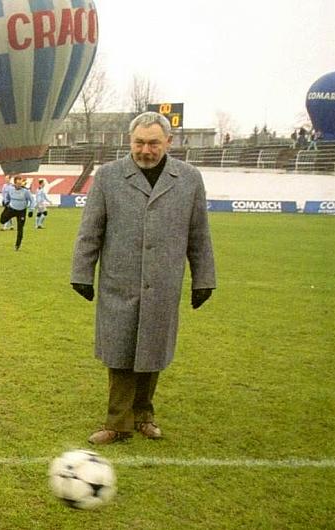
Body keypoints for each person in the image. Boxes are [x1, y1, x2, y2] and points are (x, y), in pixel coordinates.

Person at [70, 111, 216, 445]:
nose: (145, 150)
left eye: (153, 143)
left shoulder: (189, 179)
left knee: (153, 349)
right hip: (119, 280)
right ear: (129, 140)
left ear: (169, 142)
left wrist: (203, 277)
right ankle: (118, 423)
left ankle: (144, 415)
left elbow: (199, 234)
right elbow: (90, 230)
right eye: (139, 142)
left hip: (164, 281)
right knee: (120, 350)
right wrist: (82, 272)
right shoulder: (108, 176)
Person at [0, 175, 35, 250]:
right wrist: (6, 202)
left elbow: (32, 200)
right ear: (14, 183)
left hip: (21, 211)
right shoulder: (10, 189)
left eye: (20, 183)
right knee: (2, 221)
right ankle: (5, 212)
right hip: (12, 209)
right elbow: (7, 196)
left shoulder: (25, 191)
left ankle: (17, 245)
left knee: (20, 228)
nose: (19, 185)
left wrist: (31, 210)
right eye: (18, 183)